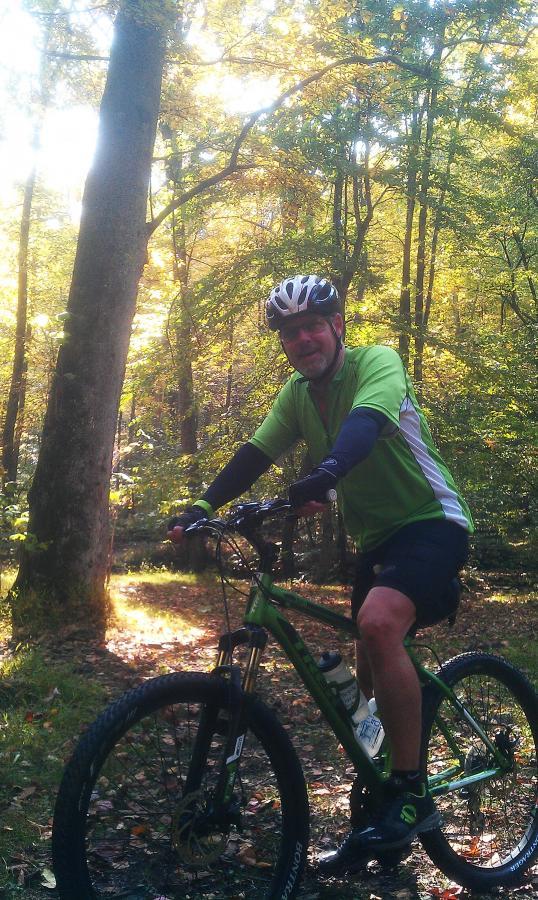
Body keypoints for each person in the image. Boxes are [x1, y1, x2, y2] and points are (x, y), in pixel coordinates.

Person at [168, 274, 473, 874]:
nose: (303, 339)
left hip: (433, 522)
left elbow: (365, 424)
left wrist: (327, 472)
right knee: (366, 672)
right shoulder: (296, 395)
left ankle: (411, 793)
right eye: (290, 333)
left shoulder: (377, 363)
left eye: (312, 326)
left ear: (336, 325)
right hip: (377, 540)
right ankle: (382, 811)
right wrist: (202, 506)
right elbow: (257, 453)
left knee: (378, 623)